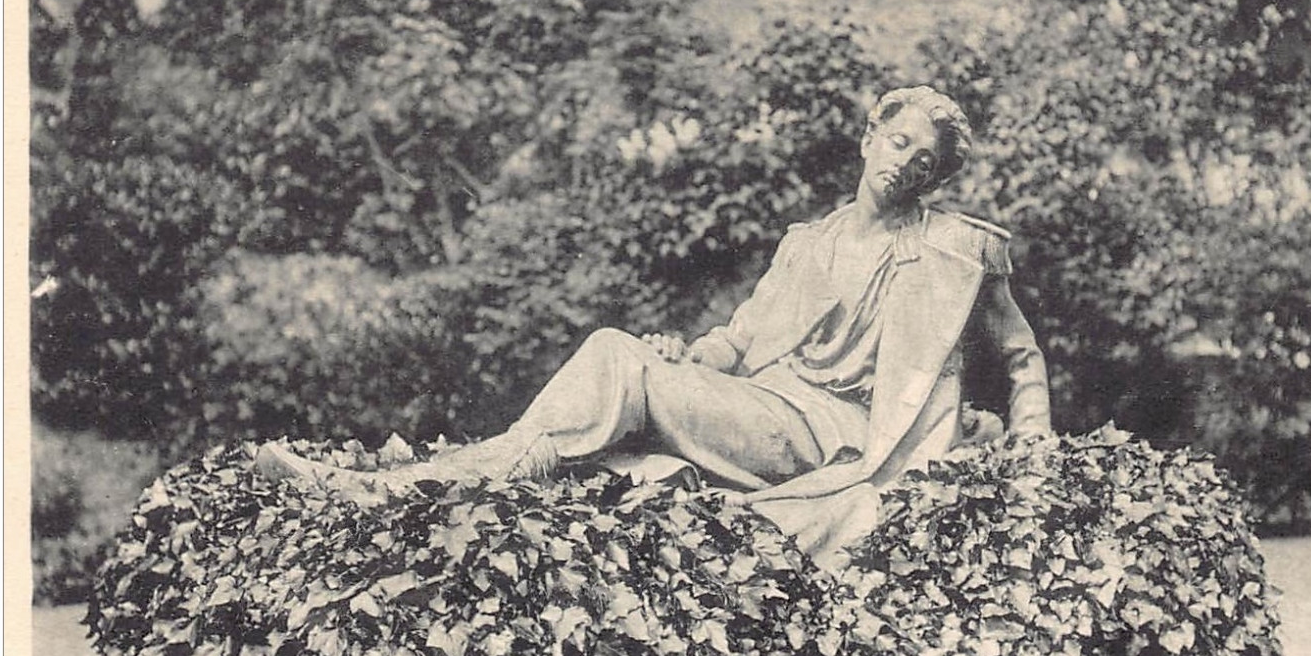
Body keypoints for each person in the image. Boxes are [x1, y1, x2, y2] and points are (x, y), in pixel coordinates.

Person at [257, 86, 1051, 565]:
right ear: (869, 137)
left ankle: (405, 492)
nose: (904, 163)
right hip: (759, 406)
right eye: (899, 141)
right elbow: (736, 343)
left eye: (924, 162)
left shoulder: (955, 252)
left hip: (828, 435)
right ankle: (438, 483)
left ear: (936, 179)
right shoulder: (805, 244)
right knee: (631, 360)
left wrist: (1033, 454)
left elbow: (1021, 358)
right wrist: (689, 353)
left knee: (612, 356)